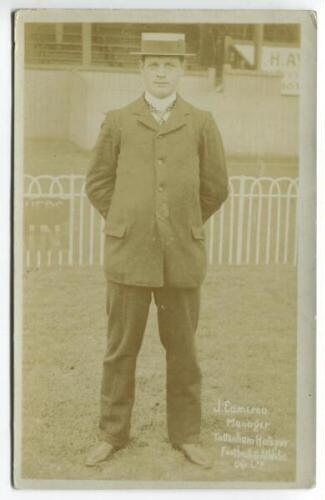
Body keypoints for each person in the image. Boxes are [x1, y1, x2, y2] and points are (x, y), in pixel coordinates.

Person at [85, 32, 228, 469]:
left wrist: (180, 226)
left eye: (170, 64)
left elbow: (216, 188)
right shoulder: (118, 120)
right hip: (128, 257)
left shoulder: (201, 121)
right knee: (119, 349)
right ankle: (112, 433)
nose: (162, 72)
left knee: (183, 351)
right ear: (141, 69)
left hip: (181, 259)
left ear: (182, 70)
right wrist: (129, 222)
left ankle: (186, 435)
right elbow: (98, 184)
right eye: (154, 65)